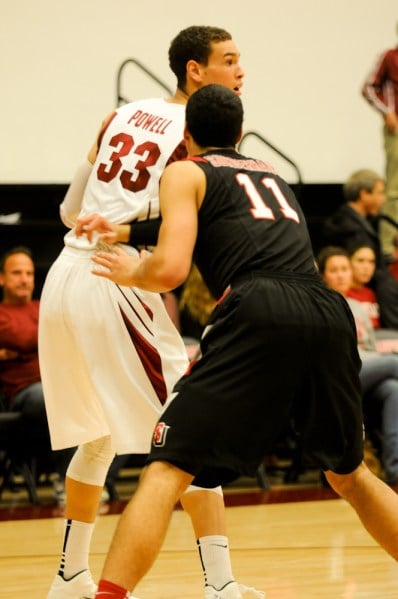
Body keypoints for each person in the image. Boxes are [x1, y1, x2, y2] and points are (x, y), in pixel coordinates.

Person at [86, 84, 398, 599]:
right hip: (324, 306)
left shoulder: (183, 170)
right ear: (240, 133)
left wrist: (131, 267)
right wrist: (124, 230)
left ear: (185, 136)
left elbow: (169, 269)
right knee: (350, 475)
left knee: (165, 468)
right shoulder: (270, 173)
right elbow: (221, 217)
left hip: (258, 307)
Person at [39, 26, 262, 599]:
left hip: (65, 276)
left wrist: (106, 220)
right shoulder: (198, 140)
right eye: (230, 61)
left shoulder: (120, 114)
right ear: (195, 71)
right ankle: (221, 586)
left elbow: (69, 210)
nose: (241, 71)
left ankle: (69, 576)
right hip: (118, 278)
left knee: (97, 437)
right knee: (189, 431)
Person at [317, 245, 398, 484]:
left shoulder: (359, 308)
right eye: (334, 270)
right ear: (323, 275)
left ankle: (395, 470)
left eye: (345, 269)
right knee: (395, 363)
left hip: (366, 371)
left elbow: (371, 346)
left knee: (394, 388)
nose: (342, 274)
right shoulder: (320, 305)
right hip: (337, 375)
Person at [0, 246, 73, 503]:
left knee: (108, 398)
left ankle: (99, 481)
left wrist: (16, 350)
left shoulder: (45, 305)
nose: (24, 279)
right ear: (2, 278)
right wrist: (47, 335)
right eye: (17, 273)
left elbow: (71, 333)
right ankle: (68, 482)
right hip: (25, 391)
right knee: (57, 399)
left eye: (29, 273)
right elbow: (26, 336)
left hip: (60, 382)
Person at [322, 168, 398, 329]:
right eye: (379, 193)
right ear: (364, 194)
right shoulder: (353, 228)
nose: (383, 199)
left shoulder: (347, 220)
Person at [362, 25, 398, 258]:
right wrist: (387, 112)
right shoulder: (389, 57)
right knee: (394, 188)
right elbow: (368, 87)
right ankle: (387, 245)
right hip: (397, 130)